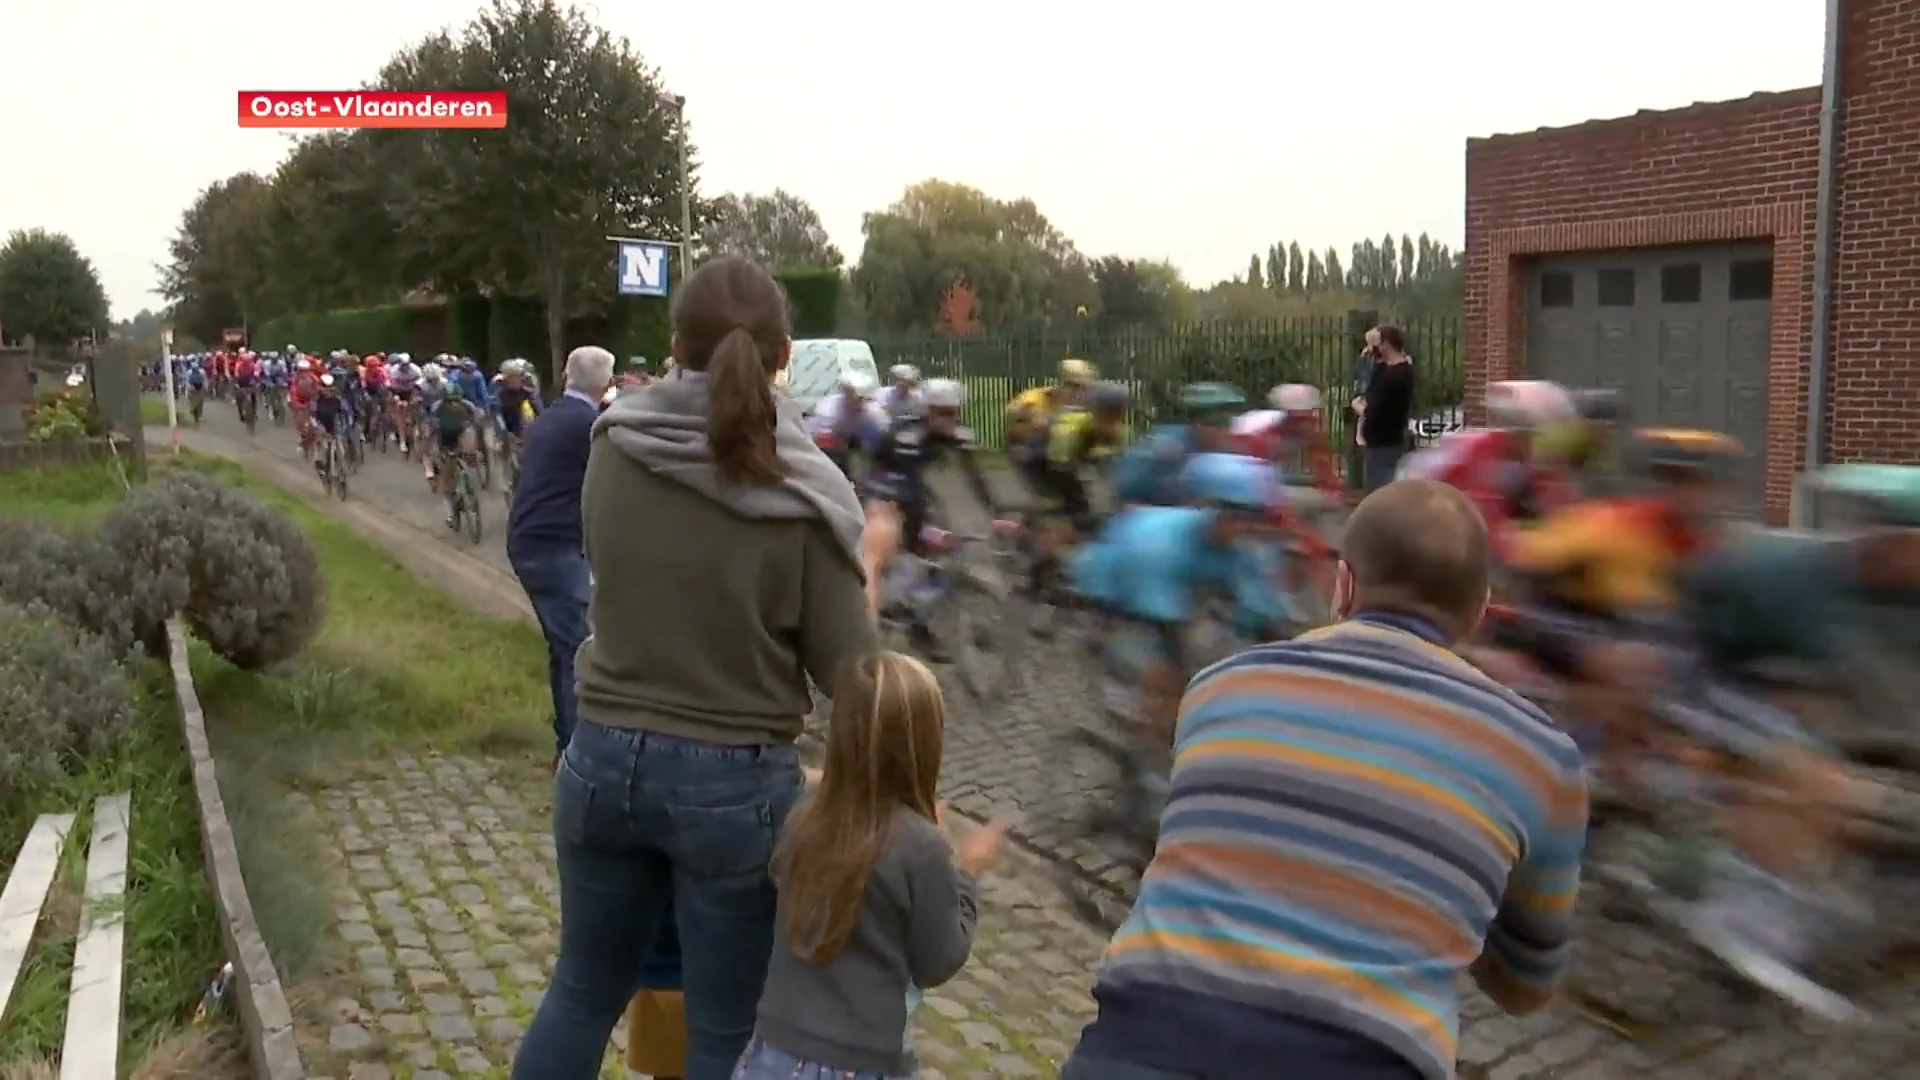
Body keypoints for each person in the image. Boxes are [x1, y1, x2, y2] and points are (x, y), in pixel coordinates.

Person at [1062, 478, 1589, 1080]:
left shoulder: (1219, 687)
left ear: (1343, 585)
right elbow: (1527, 988)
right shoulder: (1546, 760)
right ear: (1478, 611)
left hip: (1138, 1046)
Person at [511, 255, 895, 1080]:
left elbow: (606, 566)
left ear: (674, 343)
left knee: (579, 994)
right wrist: (871, 567)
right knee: (725, 1031)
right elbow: (853, 675)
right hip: (732, 790)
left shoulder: (613, 444)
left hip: (602, 754)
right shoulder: (807, 487)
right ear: (785, 354)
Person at [737, 651, 1007, 1079]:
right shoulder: (922, 847)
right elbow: (938, 959)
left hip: (774, 1052)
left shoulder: (804, 814)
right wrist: (968, 873)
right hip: (859, 1061)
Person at [507, 346, 612, 763]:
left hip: (529, 541)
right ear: (606, 384)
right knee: (580, 651)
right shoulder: (590, 426)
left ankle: (566, 744)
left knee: (563, 647)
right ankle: (576, 756)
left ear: (567, 376)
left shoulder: (551, 415)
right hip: (554, 546)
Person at [1354, 325, 1415, 490]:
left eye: (1378, 344)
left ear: (1386, 345)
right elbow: (1371, 377)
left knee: (1380, 492)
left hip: (1384, 444)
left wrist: (1359, 408)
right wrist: (1372, 345)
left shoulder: (1395, 376)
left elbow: (1376, 411)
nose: (1375, 349)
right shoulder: (1389, 370)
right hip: (1381, 442)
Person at [428, 382, 482, 526]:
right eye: (449, 401)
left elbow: (477, 422)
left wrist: (475, 448)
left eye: (456, 400)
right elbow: (433, 428)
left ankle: (468, 478)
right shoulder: (437, 408)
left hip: (461, 434)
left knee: (470, 438)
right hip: (445, 439)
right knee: (446, 473)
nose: (453, 403)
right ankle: (450, 512)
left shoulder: (468, 406)